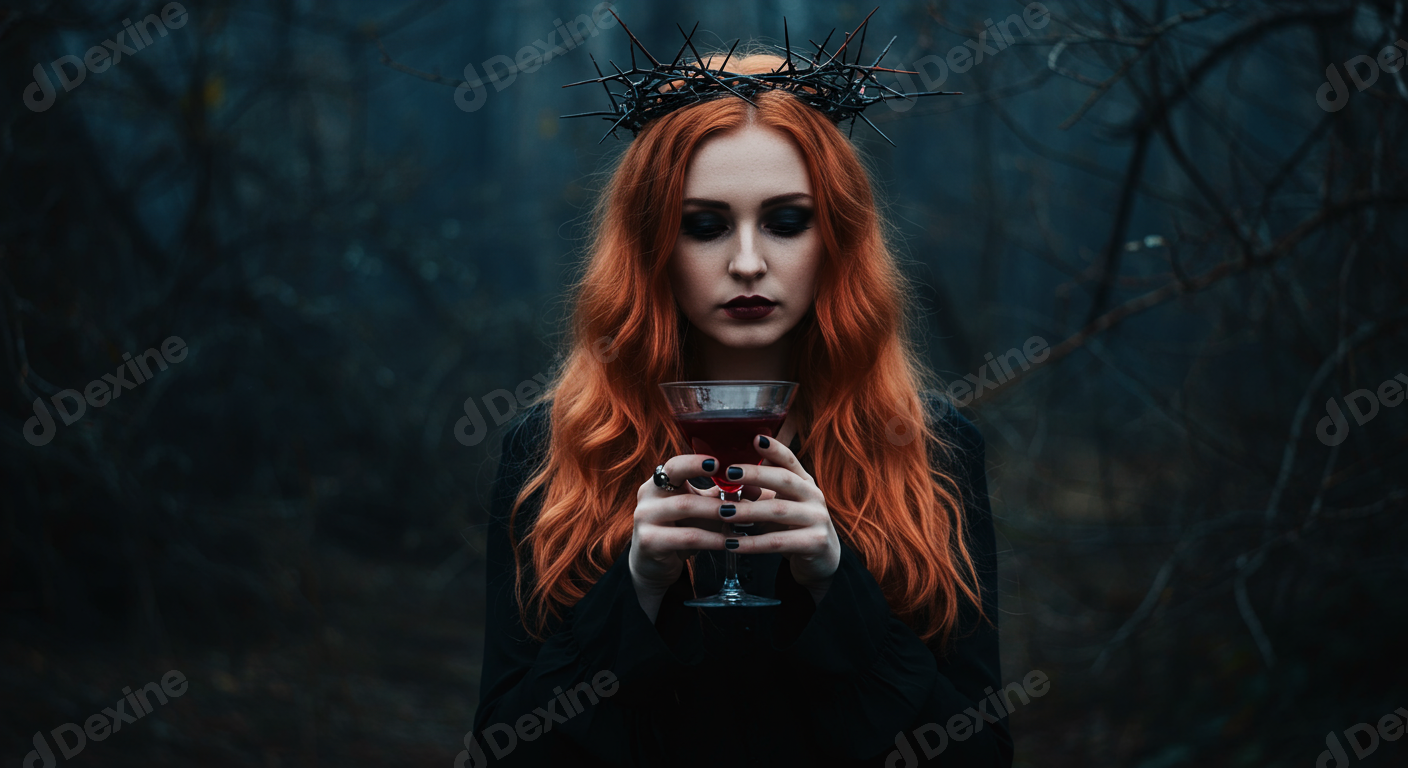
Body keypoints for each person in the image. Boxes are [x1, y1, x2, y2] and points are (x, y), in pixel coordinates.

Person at [465, 41, 1010, 768]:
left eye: (787, 222)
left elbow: (978, 755)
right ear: (651, 240)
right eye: (705, 224)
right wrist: (634, 591)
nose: (748, 262)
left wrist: (834, 583)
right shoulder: (554, 447)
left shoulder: (931, 445)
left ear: (835, 237)